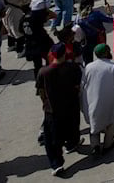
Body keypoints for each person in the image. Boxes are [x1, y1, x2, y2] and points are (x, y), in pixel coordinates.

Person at [36, 42, 82, 176]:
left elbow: (41, 91)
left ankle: (56, 164)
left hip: (52, 110)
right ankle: (72, 143)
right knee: (73, 127)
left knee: (52, 139)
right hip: (71, 105)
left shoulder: (43, 72)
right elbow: (78, 86)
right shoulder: (73, 67)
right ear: (64, 54)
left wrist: (45, 103)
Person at [81, 44, 114, 156]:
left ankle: (95, 146)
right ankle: (107, 145)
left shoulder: (89, 66)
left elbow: (83, 82)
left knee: (94, 124)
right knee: (111, 123)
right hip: (109, 100)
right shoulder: (112, 66)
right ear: (106, 53)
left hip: (91, 100)